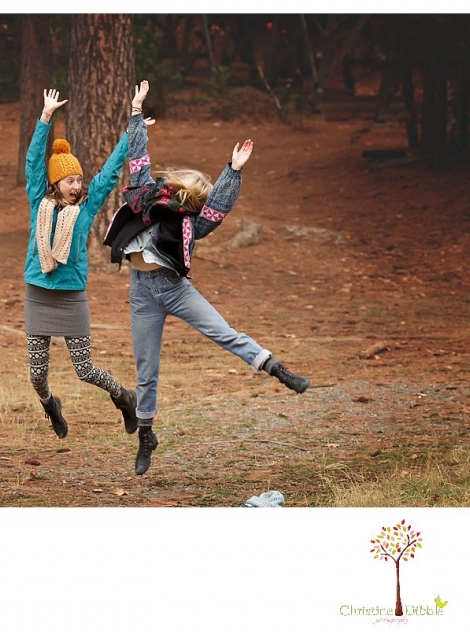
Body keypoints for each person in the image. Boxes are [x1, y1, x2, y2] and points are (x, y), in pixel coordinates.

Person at [104, 80, 310, 476]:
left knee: (224, 332)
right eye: (186, 193)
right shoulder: (144, 197)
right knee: (146, 370)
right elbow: (139, 159)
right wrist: (135, 113)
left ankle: (277, 369)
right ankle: (146, 434)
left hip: (175, 290)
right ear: (175, 187)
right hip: (142, 294)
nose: (185, 201)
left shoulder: (191, 224)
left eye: (192, 199)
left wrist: (232, 170)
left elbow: (218, 208)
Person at [23, 88, 137, 439]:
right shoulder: (38, 202)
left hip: (71, 295)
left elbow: (109, 174)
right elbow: (32, 164)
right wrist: (45, 118)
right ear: (55, 183)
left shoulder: (84, 210)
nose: (78, 185)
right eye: (71, 180)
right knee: (37, 375)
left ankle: (123, 398)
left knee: (84, 369)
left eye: (79, 180)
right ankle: (50, 406)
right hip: (38, 293)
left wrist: (132, 131)